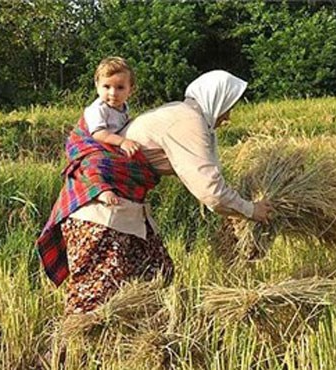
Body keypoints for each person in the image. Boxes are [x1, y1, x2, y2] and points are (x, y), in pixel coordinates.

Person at [36, 70, 273, 315]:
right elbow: (210, 191)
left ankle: (133, 343)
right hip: (101, 213)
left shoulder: (183, 114)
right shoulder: (187, 122)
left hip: (123, 210)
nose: (229, 117)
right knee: (95, 300)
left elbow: (205, 174)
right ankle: (72, 349)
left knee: (157, 275)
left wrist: (235, 208)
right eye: (229, 107)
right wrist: (251, 210)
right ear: (217, 100)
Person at [84, 56, 141, 205]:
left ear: (131, 89)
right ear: (97, 86)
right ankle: (100, 190)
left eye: (120, 87)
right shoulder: (98, 109)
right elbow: (98, 133)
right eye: (106, 87)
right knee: (95, 163)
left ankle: (121, 189)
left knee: (126, 165)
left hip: (111, 145)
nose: (113, 93)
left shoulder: (124, 107)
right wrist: (122, 142)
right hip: (96, 145)